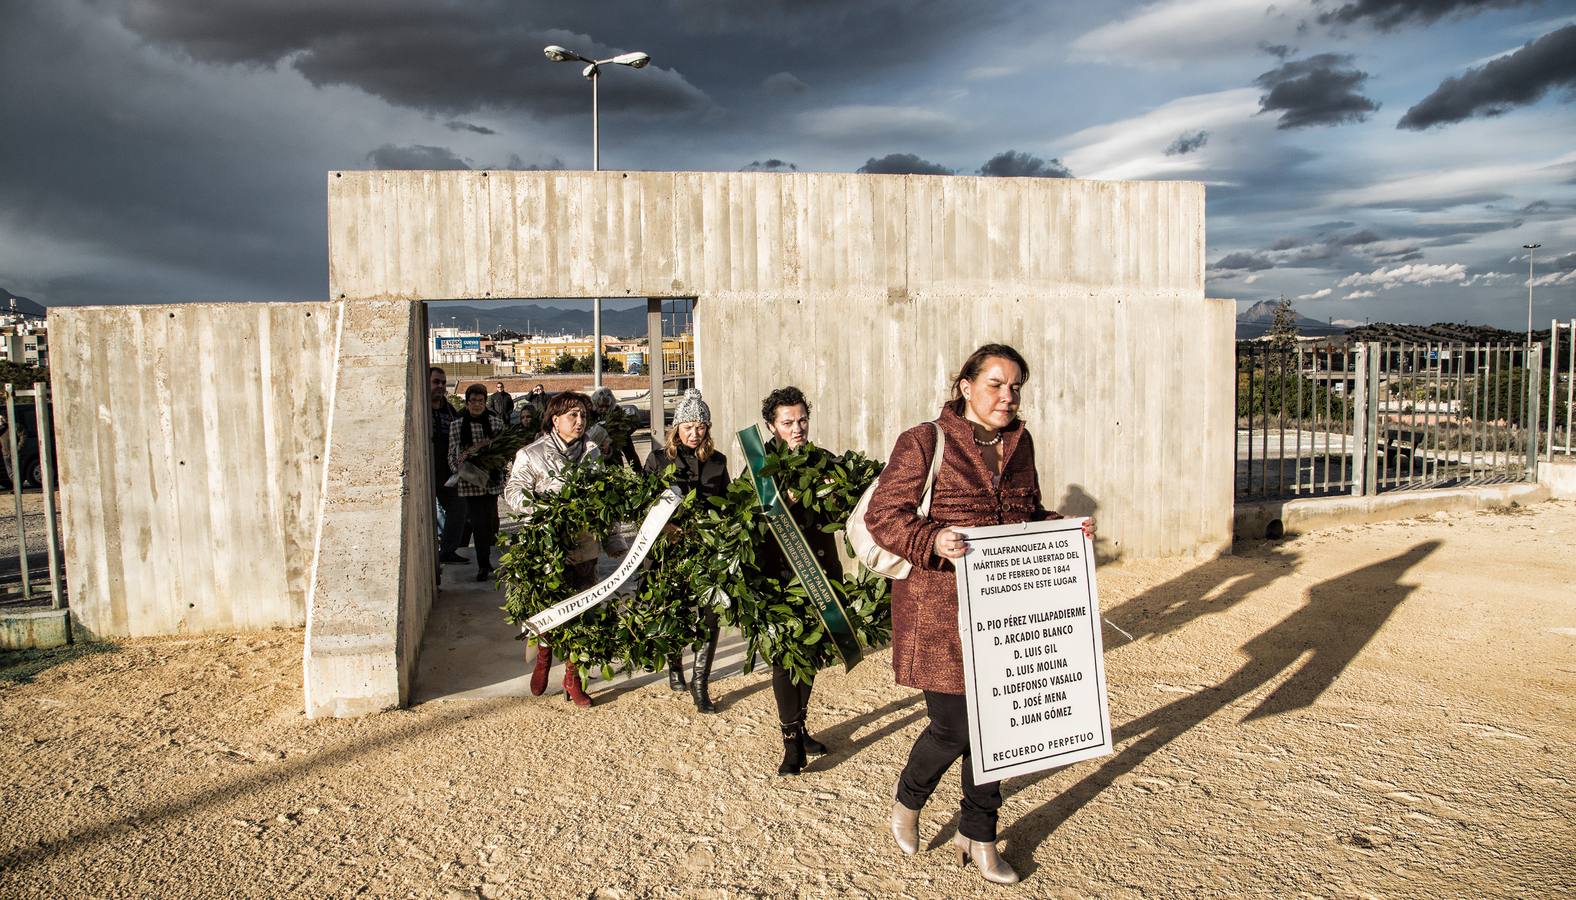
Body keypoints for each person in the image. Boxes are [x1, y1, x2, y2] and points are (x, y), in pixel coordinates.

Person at [864, 343, 1096, 885]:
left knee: (1002, 728)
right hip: (939, 612)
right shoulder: (925, 441)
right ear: (965, 386)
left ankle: (981, 835)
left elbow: (1025, 513)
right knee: (953, 728)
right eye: (995, 383)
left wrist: (1063, 527)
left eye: (1015, 386)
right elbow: (883, 515)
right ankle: (909, 800)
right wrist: (931, 538)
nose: (1007, 396)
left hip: (1007, 613)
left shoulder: (1021, 443)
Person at [752, 386, 841, 775]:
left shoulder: (823, 461)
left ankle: (801, 727)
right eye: (788, 422)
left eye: (802, 419)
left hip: (820, 573)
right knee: (786, 659)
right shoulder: (759, 468)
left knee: (811, 655)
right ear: (771, 426)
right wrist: (778, 504)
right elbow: (747, 522)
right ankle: (791, 742)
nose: (798, 427)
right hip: (779, 579)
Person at [504, 390, 602, 708]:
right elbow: (514, 491)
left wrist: (613, 538)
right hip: (548, 548)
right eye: (572, 415)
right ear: (555, 419)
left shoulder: (593, 452)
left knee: (582, 611)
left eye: (583, 415)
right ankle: (544, 656)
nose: (579, 421)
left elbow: (605, 498)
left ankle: (572, 679)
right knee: (549, 609)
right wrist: (540, 508)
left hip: (584, 547)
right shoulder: (532, 454)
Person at [642, 388, 730, 713]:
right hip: (669, 553)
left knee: (709, 615)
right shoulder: (657, 460)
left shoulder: (718, 462)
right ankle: (674, 664)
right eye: (688, 426)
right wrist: (667, 529)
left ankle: (700, 682)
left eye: (701, 427)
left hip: (706, 551)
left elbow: (727, 502)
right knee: (673, 610)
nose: (695, 433)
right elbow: (644, 505)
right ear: (676, 427)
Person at [448, 384, 507, 582]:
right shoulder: (457, 425)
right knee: (478, 523)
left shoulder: (495, 423)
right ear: (466, 403)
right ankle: (483, 564)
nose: (476, 404)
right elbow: (451, 454)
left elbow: (504, 451)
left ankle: (487, 560)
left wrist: (493, 463)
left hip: (490, 481)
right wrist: (461, 464)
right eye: (472, 401)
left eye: (480, 401)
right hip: (469, 482)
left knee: (490, 522)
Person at [429, 367, 468, 571]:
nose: (441, 386)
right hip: (427, 471)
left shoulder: (449, 410)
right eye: (436, 382)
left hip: (447, 472)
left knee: (459, 507)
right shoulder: (422, 409)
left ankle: (448, 551)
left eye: (443, 383)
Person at [590, 387, 642, 472]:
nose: (604, 409)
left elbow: (628, 449)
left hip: (614, 464)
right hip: (593, 464)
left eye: (607, 406)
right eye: (601, 406)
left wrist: (638, 470)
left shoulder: (618, 420)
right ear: (595, 405)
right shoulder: (588, 418)